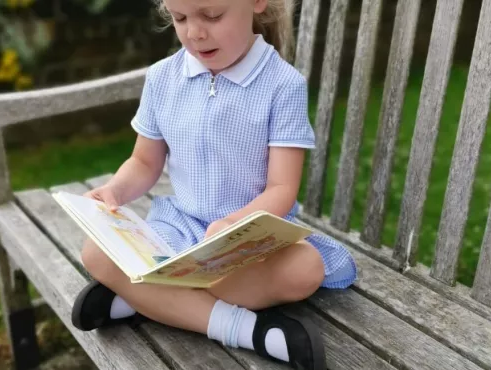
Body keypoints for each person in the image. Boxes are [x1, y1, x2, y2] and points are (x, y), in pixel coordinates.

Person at [71, 0, 357, 368]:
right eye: (180, 18)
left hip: (247, 241)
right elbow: (144, 161)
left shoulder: (282, 85)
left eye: (212, 15)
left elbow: (282, 189)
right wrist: (115, 191)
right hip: (180, 229)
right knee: (94, 252)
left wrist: (234, 224)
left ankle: (142, 301)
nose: (195, 32)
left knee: (305, 269)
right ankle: (247, 330)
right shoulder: (163, 78)